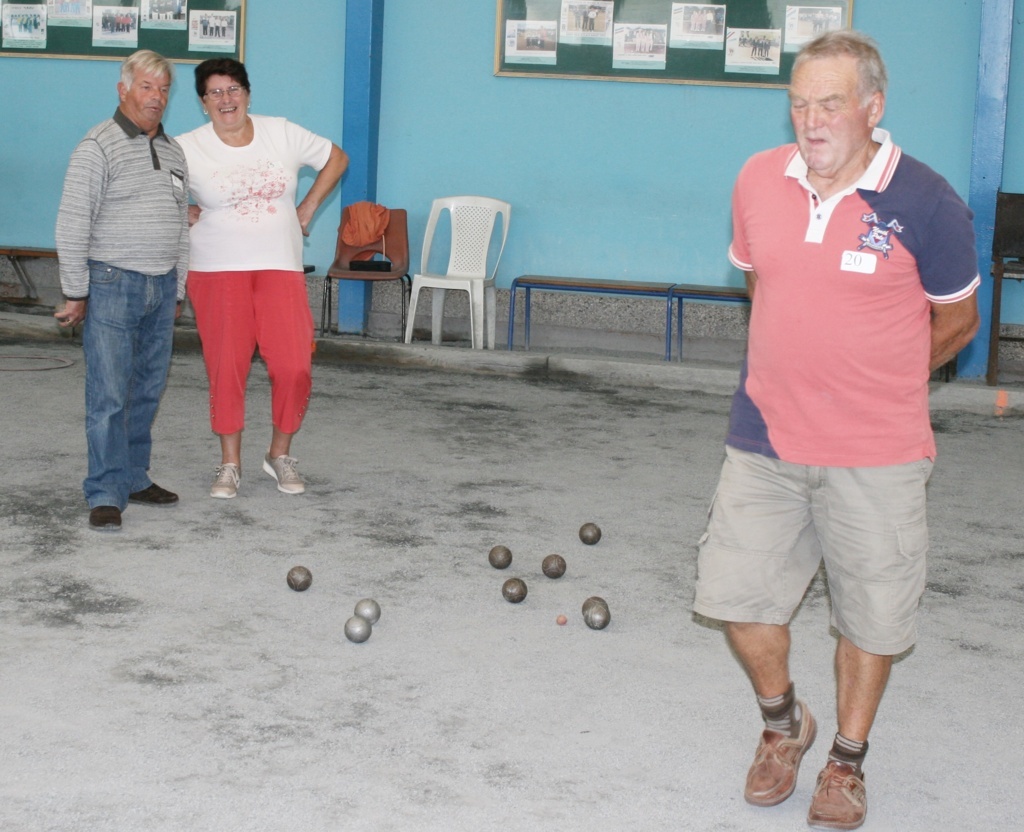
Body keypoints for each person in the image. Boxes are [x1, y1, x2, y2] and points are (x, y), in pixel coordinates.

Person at [693, 31, 980, 830]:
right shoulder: (757, 179)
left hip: (878, 450)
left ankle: (846, 763)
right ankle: (785, 724)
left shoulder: (925, 199)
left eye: (829, 103)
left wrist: (882, 381)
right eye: (798, 102)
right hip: (765, 438)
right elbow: (761, 279)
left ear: (872, 107)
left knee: (872, 618)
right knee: (735, 601)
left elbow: (959, 318)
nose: (811, 120)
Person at [176, 58, 348, 499]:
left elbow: (336, 158)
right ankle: (229, 464)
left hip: (279, 266)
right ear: (202, 102)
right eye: (215, 93)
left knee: (293, 366)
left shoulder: (281, 132)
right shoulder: (186, 147)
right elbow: (154, 190)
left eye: (233, 89)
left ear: (247, 94)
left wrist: (307, 207)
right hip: (215, 271)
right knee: (226, 368)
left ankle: (279, 454)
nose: (226, 99)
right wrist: (181, 210)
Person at [55, 49, 189, 532]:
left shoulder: (174, 152)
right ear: (123, 90)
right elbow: (73, 222)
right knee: (110, 395)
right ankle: (106, 491)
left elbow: (181, 227)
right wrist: (75, 290)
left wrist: (178, 289)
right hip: (112, 283)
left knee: (147, 391)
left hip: (161, 286)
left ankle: (134, 477)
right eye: (147, 87)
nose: (156, 97)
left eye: (164, 89)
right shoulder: (97, 145)